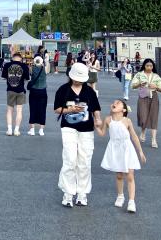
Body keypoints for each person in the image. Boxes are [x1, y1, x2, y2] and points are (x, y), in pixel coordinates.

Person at [54, 62, 102, 207]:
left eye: (80, 79)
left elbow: (96, 108)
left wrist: (98, 119)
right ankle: (68, 193)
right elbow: (57, 109)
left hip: (87, 128)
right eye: (76, 78)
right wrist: (70, 110)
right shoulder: (63, 90)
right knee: (70, 159)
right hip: (68, 127)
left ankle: (82, 193)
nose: (78, 81)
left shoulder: (89, 91)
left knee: (84, 162)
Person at [98, 99, 146, 213]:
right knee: (119, 175)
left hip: (127, 149)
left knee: (130, 176)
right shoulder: (108, 120)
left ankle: (131, 201)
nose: (114, 103)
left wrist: (140, 152)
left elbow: (134, 136)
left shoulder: (127, 121)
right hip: (115, 149)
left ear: (123, 110)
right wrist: (96, 126)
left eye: (118, 103)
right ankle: (120, 196)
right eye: (113, 102)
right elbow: (102, 133)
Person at [130, 58, 161, 148]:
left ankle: (154, 139)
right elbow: (132, 85)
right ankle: (143, 132)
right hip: (143, 96)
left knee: (154, 117)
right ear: (144, 66)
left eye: (151, 66)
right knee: (143, 116)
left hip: (154, 96)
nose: (149, 67)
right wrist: (139, 84)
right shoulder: (139, 75)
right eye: (147, 65)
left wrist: (156, 87)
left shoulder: (156, 76)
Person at [2, 52, 30, 136]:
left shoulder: (7, 65)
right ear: (20, 58)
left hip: (10, 90)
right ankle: (16, 130)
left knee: (10, 110)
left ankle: (9, 130)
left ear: (13, 57)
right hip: (21, 90)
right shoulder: (25, 66)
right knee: (19, 110)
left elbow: (4, 77)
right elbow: (27, 79)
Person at [27, 55, 47, 136]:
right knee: (42, 110)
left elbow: (30, 74)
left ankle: (32, 129)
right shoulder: (45, 69)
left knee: (32, 109)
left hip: (34, 90)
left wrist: (32, 64)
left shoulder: (32, 68)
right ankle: (41, 130)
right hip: (43, 90)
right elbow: (47, 66)